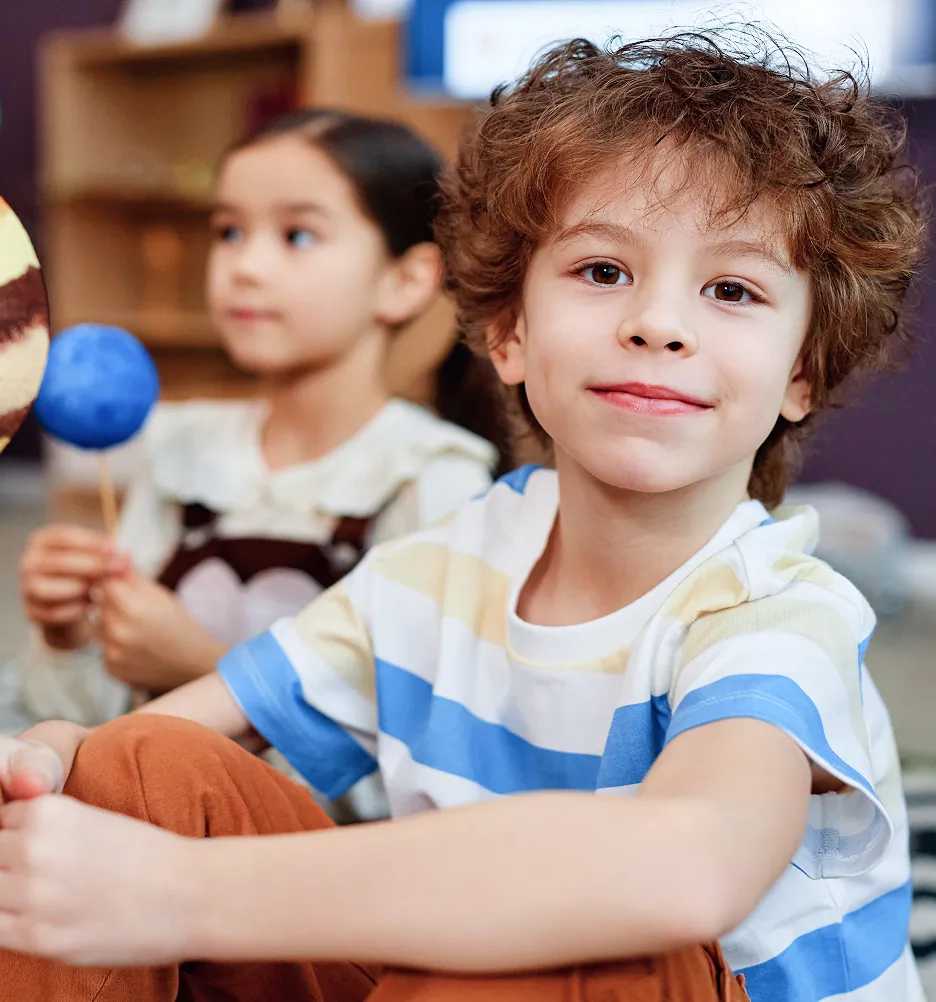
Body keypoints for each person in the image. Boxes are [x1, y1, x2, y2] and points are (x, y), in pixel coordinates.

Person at [0, 28, 925, 1002]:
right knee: (141, 765)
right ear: (510, 333)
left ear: (802, 373)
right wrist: (54, 761)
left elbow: (690, 868)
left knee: (587, 939)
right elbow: (163, 744)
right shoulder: (438, 571)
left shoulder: (778, 620)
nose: (660, 323)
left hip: (640, 975)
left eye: (731, 289)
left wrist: (185, 895)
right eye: (603, 271)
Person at [9, 111, 502, 774]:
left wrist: (202, 666)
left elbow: (407, 779)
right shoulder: (183, 447)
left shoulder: (432, 481)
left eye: (297, 234)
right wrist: (70, 637)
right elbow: (99, 731)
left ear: (406, 280)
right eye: (229, 231)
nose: (245, 266)